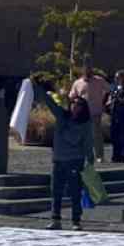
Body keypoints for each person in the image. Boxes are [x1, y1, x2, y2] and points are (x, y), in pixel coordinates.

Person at [33, 86, 93, 230]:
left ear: (83, 108)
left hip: (75, 160)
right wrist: (38, 87)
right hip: (58, 160)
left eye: (78, 104)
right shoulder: (62, 115)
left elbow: (87, 143)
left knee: (74, 191)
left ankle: (76, 221)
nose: (74, 106)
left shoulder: (85, 124)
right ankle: (56, 219)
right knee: (56, 190)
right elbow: (51, 103)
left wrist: (89, 161)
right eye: (73, 103)